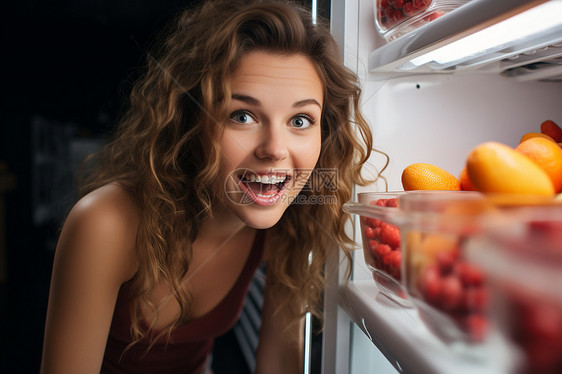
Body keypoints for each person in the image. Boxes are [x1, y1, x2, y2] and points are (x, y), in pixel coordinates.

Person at [40, 0, 376, 373]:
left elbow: (279, 361)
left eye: (300, 120)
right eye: (243, 116)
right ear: (190, 121)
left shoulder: (290, 222)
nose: (275, 150)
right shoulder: (105, 223)